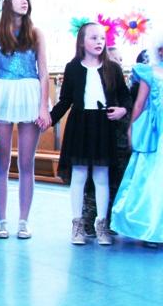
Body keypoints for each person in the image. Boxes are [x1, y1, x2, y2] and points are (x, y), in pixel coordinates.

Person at [0, 0, 50, 239]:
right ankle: (1, 221)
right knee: (2, 162)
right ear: (7, 2)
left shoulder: (36, 33)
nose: (24, 1)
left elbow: (44, 72)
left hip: (30, 93)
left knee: (26, 162)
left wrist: (43, 106)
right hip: (3, 94)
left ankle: (23, 221)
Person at [50, 22, 130, 245]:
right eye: (94, 38)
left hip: (103, 126)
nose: (99, 42)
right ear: (82, 42)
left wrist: (122, 110)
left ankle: (101, 225)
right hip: (80, 125)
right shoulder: (73, 67)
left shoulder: (112, 69)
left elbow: (125, 96)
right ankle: (77, 225)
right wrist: (48, 119)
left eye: (102, 38)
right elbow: (65, 100)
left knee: (102, 176)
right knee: (79, 175)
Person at [111, 37, 163, 247]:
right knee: (150, 177)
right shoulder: (150, 72)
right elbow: (139, 103)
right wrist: (132, 128)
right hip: (155, 132)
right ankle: (149, 227)